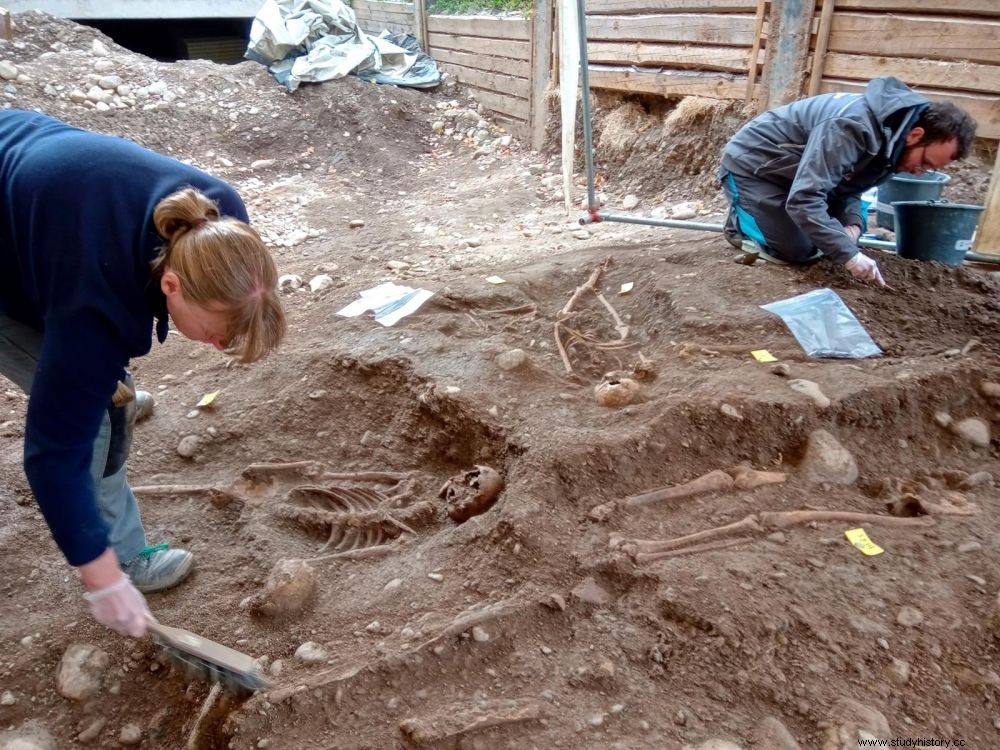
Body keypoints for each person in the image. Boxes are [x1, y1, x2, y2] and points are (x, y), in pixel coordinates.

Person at [0, 110, 286, 638]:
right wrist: (101, 578)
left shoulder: (222, 222)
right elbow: (50, 456)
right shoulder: (93, 303)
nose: (221, 345)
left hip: (35, 182)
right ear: (172, 285)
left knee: (98, 382)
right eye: (218, 332)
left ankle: (100, 386)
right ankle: (124, 556)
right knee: (97, 423)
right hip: (21, 231)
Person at [719, 76, 977, 286]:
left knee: (834, 238)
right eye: (925, 163)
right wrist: (850, 256)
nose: (919, 172)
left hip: (803, 175)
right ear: (916, 135)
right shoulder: (851, 126)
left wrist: (853, 225)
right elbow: (804, 199)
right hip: (756, 167)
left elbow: (852, 183)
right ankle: (739, 224)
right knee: (796, 251)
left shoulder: (894, 139)